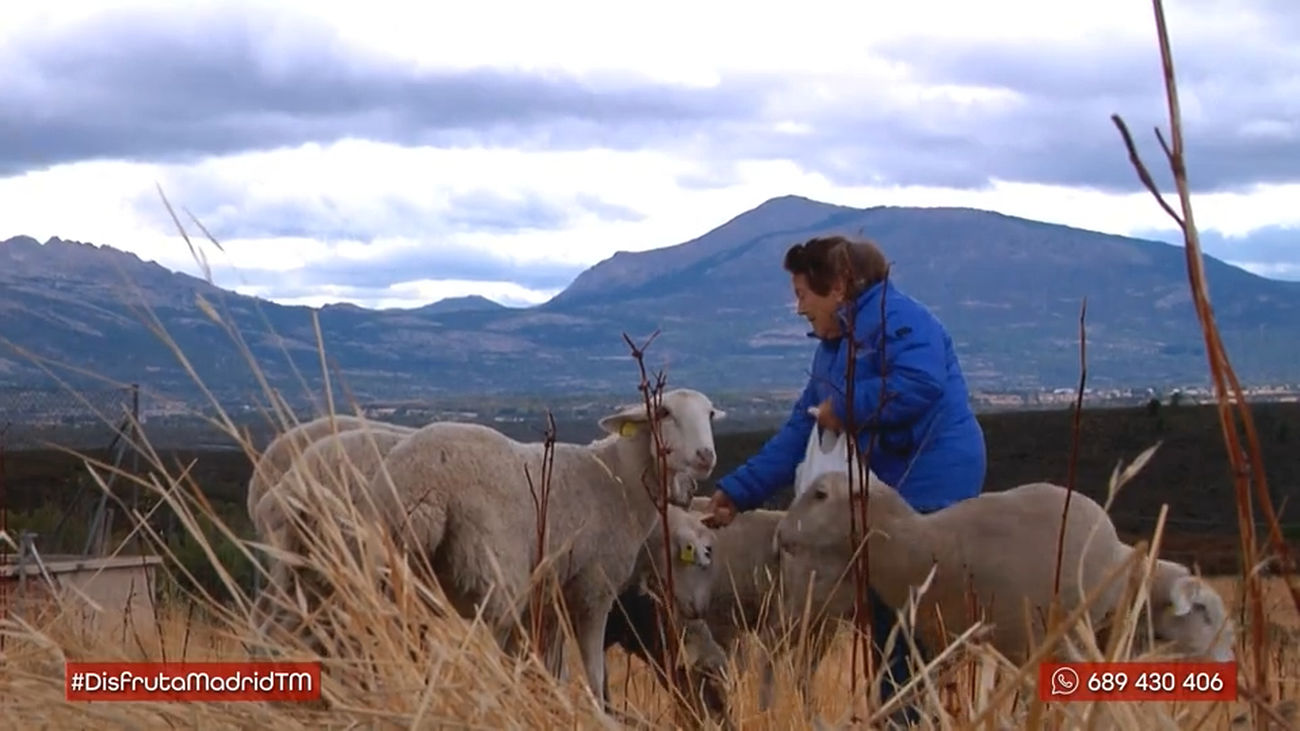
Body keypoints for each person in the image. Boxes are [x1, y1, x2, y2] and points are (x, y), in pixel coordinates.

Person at [703, 233, 988, 715]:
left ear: (837, 285)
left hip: (930, 484)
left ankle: (907, 716)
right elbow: (801, 429)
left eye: (801, 294)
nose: (798, 309)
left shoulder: (904, 322)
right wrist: (738, 491)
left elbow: (920, 383)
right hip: (882, 492)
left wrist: (846, 407)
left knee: (902, 616)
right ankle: (908, 713)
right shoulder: (833, 350)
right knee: (887, 616)